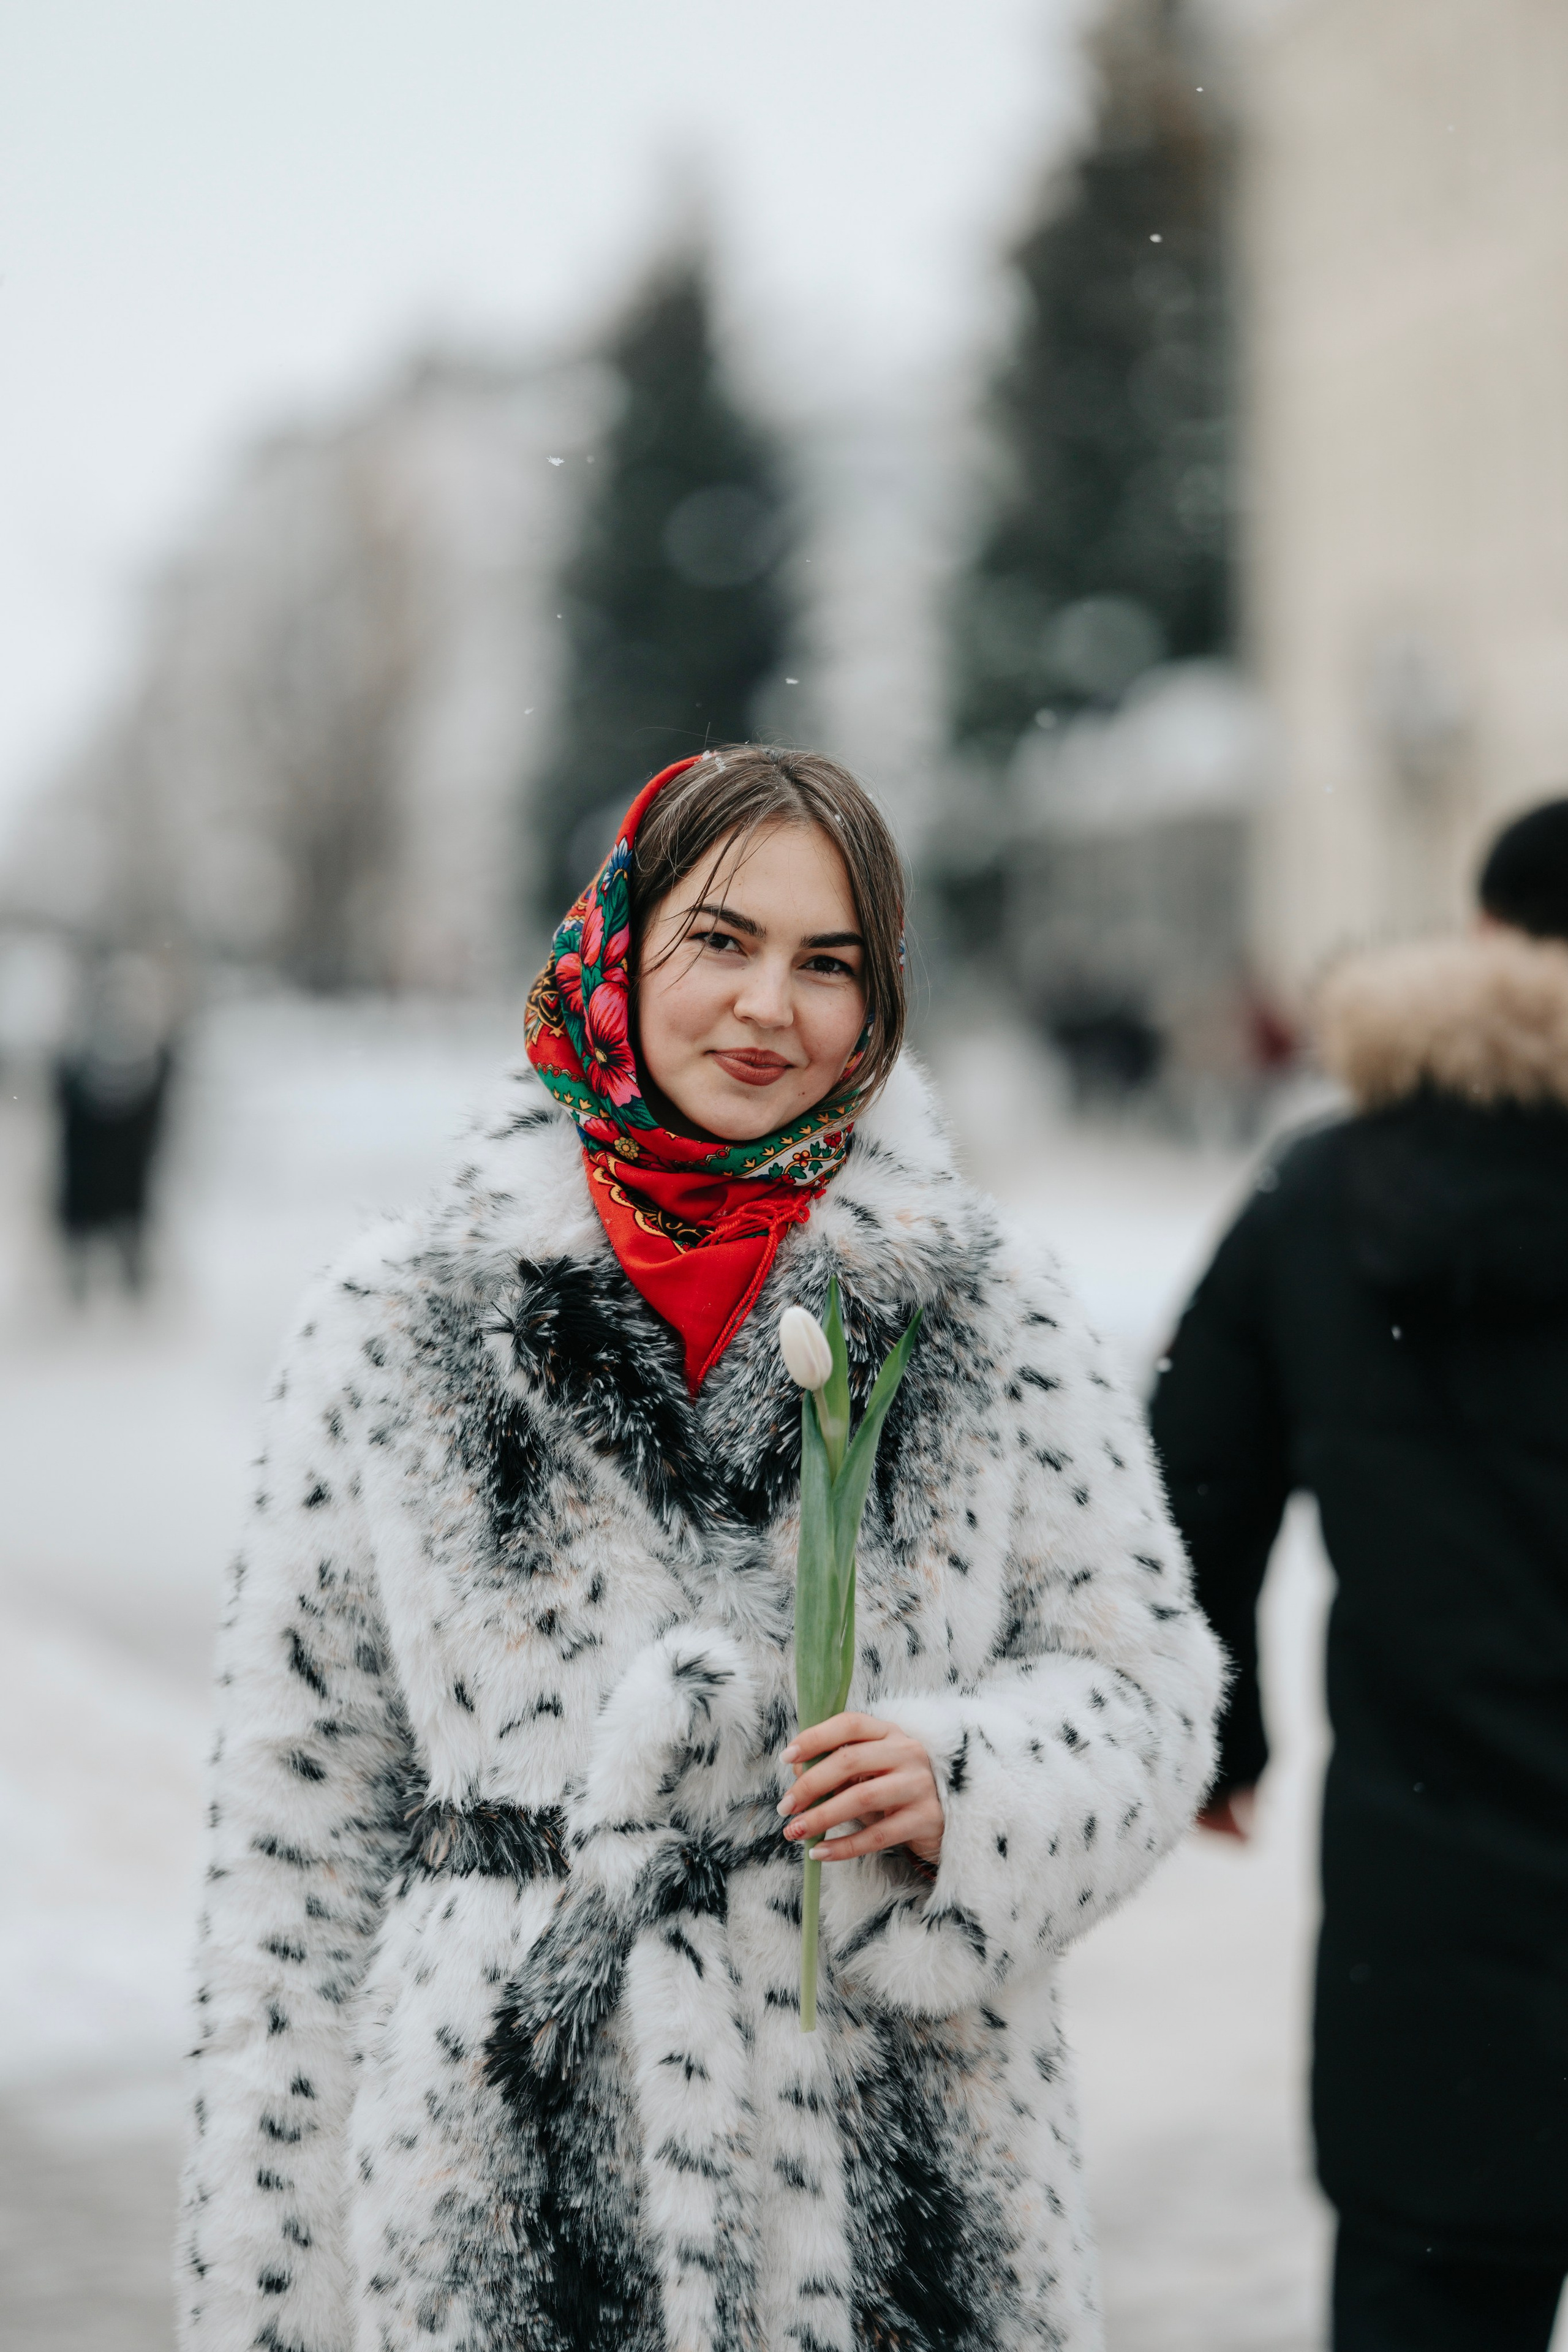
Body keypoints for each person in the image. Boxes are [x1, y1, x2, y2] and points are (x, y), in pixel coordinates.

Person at [176, 746, 1221, 2352]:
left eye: (828, 965)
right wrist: (263, 2292)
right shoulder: (400, 1317)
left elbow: (1147, 1689)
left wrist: (976, 1784)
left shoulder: (985, 1309)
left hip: (896, 2190)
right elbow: (292, 1834)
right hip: (496, 2184)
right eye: (720, 943)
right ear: (622, 945)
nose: (766, 1008)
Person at [1150, 797, 1568, 2351]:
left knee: (1432, 2289)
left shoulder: (1325, 1193)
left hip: (1432, 1894)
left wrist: (1218, 1733)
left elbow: (1190, 1474)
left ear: (1479, 938)